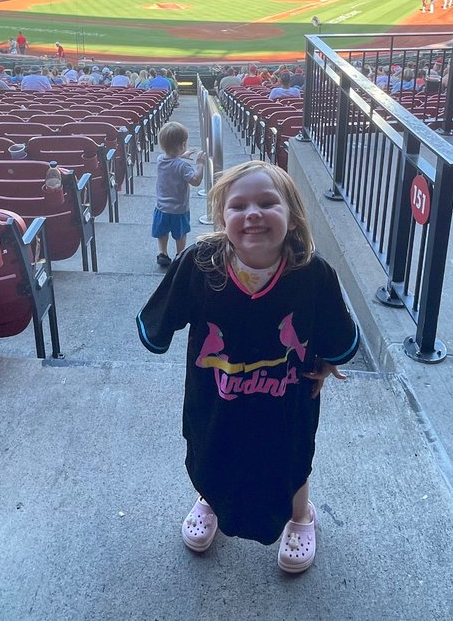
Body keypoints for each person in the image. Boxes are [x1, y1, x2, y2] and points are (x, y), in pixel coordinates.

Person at [137, 160, 359, 572]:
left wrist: (328, 363)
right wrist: (160, 334)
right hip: (215, 397)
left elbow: (335, 329)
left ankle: (300, 516)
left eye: (267, 202)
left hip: (287, 399)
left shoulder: (313, 274)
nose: (252, 213)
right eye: (238, 206)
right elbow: (160, 319)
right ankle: (210, 498)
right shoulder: (200, 264)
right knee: (212, 452)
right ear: (222, 217)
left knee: (291, 460)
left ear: (292, 217)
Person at [151, 122, 205, 269]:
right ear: (183, 144)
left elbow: (171, 159)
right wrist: (200, 165)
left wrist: (181, 155)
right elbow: (195, 181)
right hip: (179, 209)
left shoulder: (160, 160)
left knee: (162, 232)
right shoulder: (183, 166)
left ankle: (162, 253)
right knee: (180, 234)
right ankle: (180, 255)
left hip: (161, 207)